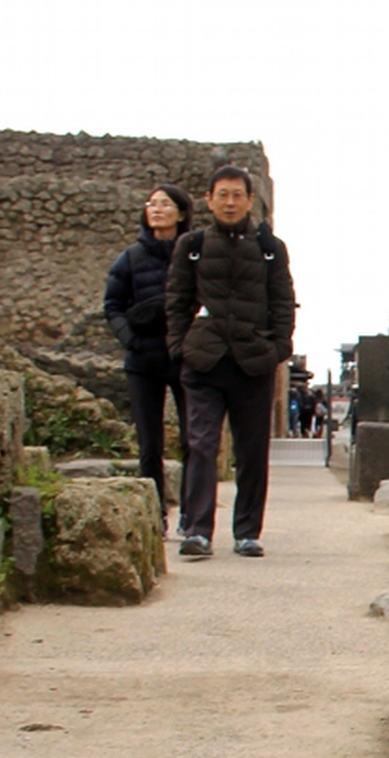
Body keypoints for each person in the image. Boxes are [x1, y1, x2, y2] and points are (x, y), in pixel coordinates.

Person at [165, 165, 295, 558]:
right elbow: (177, 299)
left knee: (252, 451)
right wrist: (179, 347)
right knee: (202, 444)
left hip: (252, 361)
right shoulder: (192, 245)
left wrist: (278, 348)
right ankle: (198, 530)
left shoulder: (271, 248)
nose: (230, 202)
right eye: (222, 194)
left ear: (250, 200)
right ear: (209, 199)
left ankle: (247, 532)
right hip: (204, 360)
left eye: (237, 195)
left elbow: (283, 301)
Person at [103, 183, 193, 528]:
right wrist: (131, 340)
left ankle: (191, 516)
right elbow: (113, 305)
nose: (156, 209)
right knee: (149, 445)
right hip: (143, 360)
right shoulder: (130, 258)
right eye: (152, 203)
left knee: (193, 441)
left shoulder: (192, 255)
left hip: (185, 358)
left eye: (165, 204)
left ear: (180, 213)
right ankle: (155, 516)